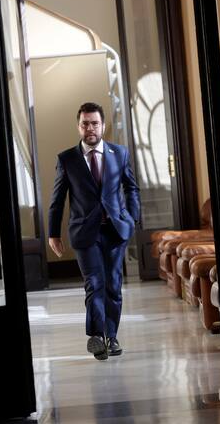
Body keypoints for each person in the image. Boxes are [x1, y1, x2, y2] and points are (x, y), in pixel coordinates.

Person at [48, 102, 141, 361]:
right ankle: (97, 336)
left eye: (95, 123)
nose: (90, 128)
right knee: (95, 283)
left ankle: (112, 336)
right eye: (85, 124)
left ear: (102, 125)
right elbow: (57, 200)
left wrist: (132, 218)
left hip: (115, 230)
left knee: (113, 285)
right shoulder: (67, 159)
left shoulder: (119, 153)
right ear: (78, 126)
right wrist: (53, 234)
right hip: (84, 232)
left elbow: (131, 188)